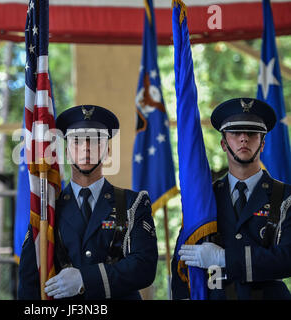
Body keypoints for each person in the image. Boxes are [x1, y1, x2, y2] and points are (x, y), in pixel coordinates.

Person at [18, 105, 158, 300]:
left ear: (107, 151)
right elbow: (28, 280)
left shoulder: (132, 203)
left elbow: (145, 266)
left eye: (95, 141)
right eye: (76, 141)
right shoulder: (49, 208)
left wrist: (85, 279)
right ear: (67, 152)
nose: (86, 148)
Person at [172, 97, 291, 300]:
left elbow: (287, 258)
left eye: (252, 133)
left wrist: (225, 258)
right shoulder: (205, 200)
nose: (244, 138)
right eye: (235, 133)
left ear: (262, 144)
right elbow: (182, 261)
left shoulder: (286, 197)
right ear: (223, 144)